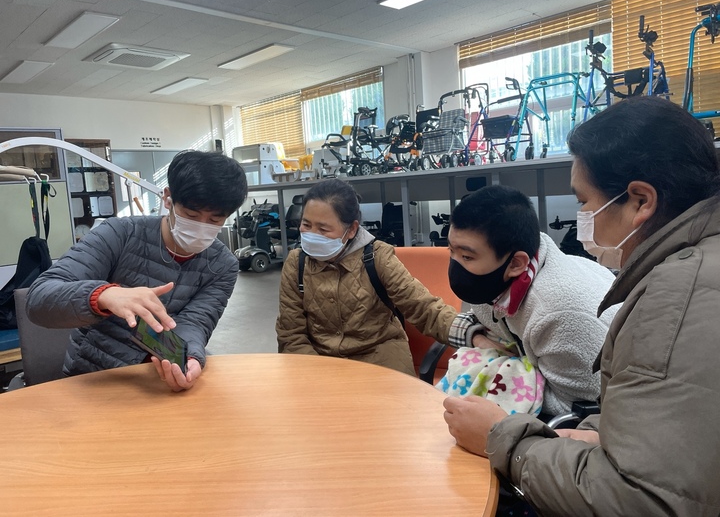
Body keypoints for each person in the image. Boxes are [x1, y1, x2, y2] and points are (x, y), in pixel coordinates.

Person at [443, 97, 720, 515]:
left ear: (640, 201)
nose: (582, 216)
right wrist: (600, 433)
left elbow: (640, 498)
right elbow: (662, 425)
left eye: (584, 201)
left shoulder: (675, 299)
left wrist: (502, 437)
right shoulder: (689, 274)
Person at [26, 150, 247, 391]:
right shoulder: (119, 234)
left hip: (157, 382)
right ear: (168, 198)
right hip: (95, 377)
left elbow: (195, 322)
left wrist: (190, 359)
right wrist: (104, 295)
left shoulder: (222, 265)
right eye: (191, 215)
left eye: (214, 220)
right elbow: (39, 298)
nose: (200, 227)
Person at [444, 184, 618, 416]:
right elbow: (480, 319)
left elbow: (581, 406)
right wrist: (478, 338)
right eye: (451, 251)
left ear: (516, 263)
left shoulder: (559, 312)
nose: (455, 265)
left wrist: (503, 371)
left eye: (466, 256)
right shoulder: (497, 281)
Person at [276, 178, 457, 376]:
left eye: (323, 229)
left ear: (352, 229)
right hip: (320, 360)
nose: (312, 234)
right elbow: (291, 334)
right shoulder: (297, 263)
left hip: (379, 357)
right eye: (306, 224)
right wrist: (320, 373)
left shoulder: (377, 257)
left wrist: (468, 331)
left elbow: (422, 306)